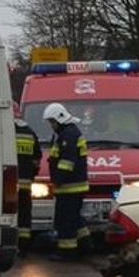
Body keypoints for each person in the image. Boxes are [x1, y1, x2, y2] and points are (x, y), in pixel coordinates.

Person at [44, 103, 90, 262]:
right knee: (75, 218)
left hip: (70, 187)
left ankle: (67, 253)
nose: (51, 125)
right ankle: (86, 245)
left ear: (59, 119)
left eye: (52, 122)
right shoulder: (68, 133)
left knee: (66, 221)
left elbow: (67, 162)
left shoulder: (68, 135)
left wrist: (58, 180)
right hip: (73, 187)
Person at [13, 103, 42, 256]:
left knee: (9, 214)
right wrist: (32, 174)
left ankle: (11, 244)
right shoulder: (30, 132)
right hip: (26, 183)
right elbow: (37, 158)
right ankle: (24, 247)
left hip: (8, 184)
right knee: (25, 214)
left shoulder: (6, 131)